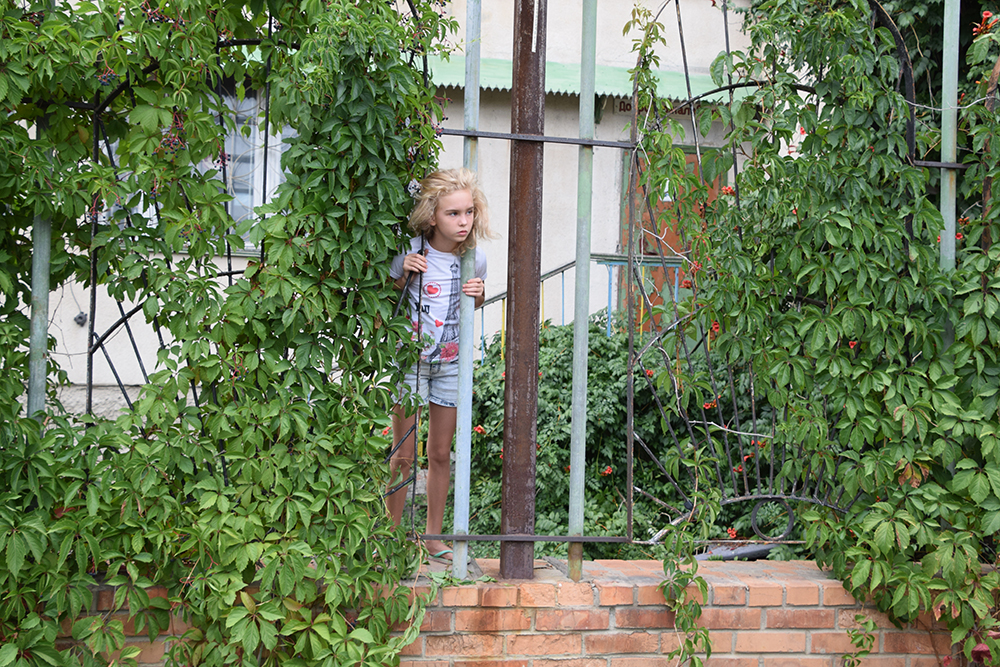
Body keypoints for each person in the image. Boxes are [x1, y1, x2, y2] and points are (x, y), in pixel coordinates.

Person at [387, 168, 493, 561]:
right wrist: (401, 277)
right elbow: (386, 296)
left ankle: (433, 537)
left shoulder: (474, 259)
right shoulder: (411, 252)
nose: (463, 222)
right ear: (433, 216)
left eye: (469, 212)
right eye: (453, 214)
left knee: (440, 453)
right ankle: (392, 534)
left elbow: (471, 304)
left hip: (450, 365)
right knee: (403, 452)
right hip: (410, 362)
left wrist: (480, 295)